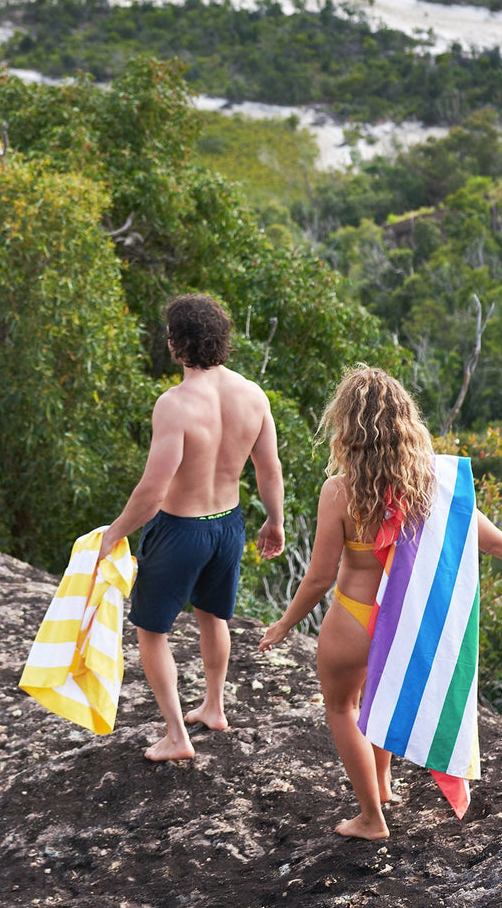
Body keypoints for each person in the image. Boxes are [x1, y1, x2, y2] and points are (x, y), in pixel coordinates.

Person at [258, 366, 502, 841]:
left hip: (352, 616)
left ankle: (370, 817)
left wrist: (284, 624)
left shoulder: (339, 492)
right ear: (405, 421)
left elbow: (320, 576)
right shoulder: (431, 484)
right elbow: (497, 543)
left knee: (343, 708)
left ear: (345, 426)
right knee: (377, 695)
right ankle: (382, 785)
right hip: (403, 621)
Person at [99, 294, 285, 762]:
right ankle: (214, 707)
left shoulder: (175, 404)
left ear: (177, 344)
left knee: (150, 630)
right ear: (221, 340)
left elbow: (152, 491)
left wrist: (115, 532)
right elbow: (269, 469)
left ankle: (177, 736)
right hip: (228, 526)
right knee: (212, 616)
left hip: (180, 530)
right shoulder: (253, 396)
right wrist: (275, 520)